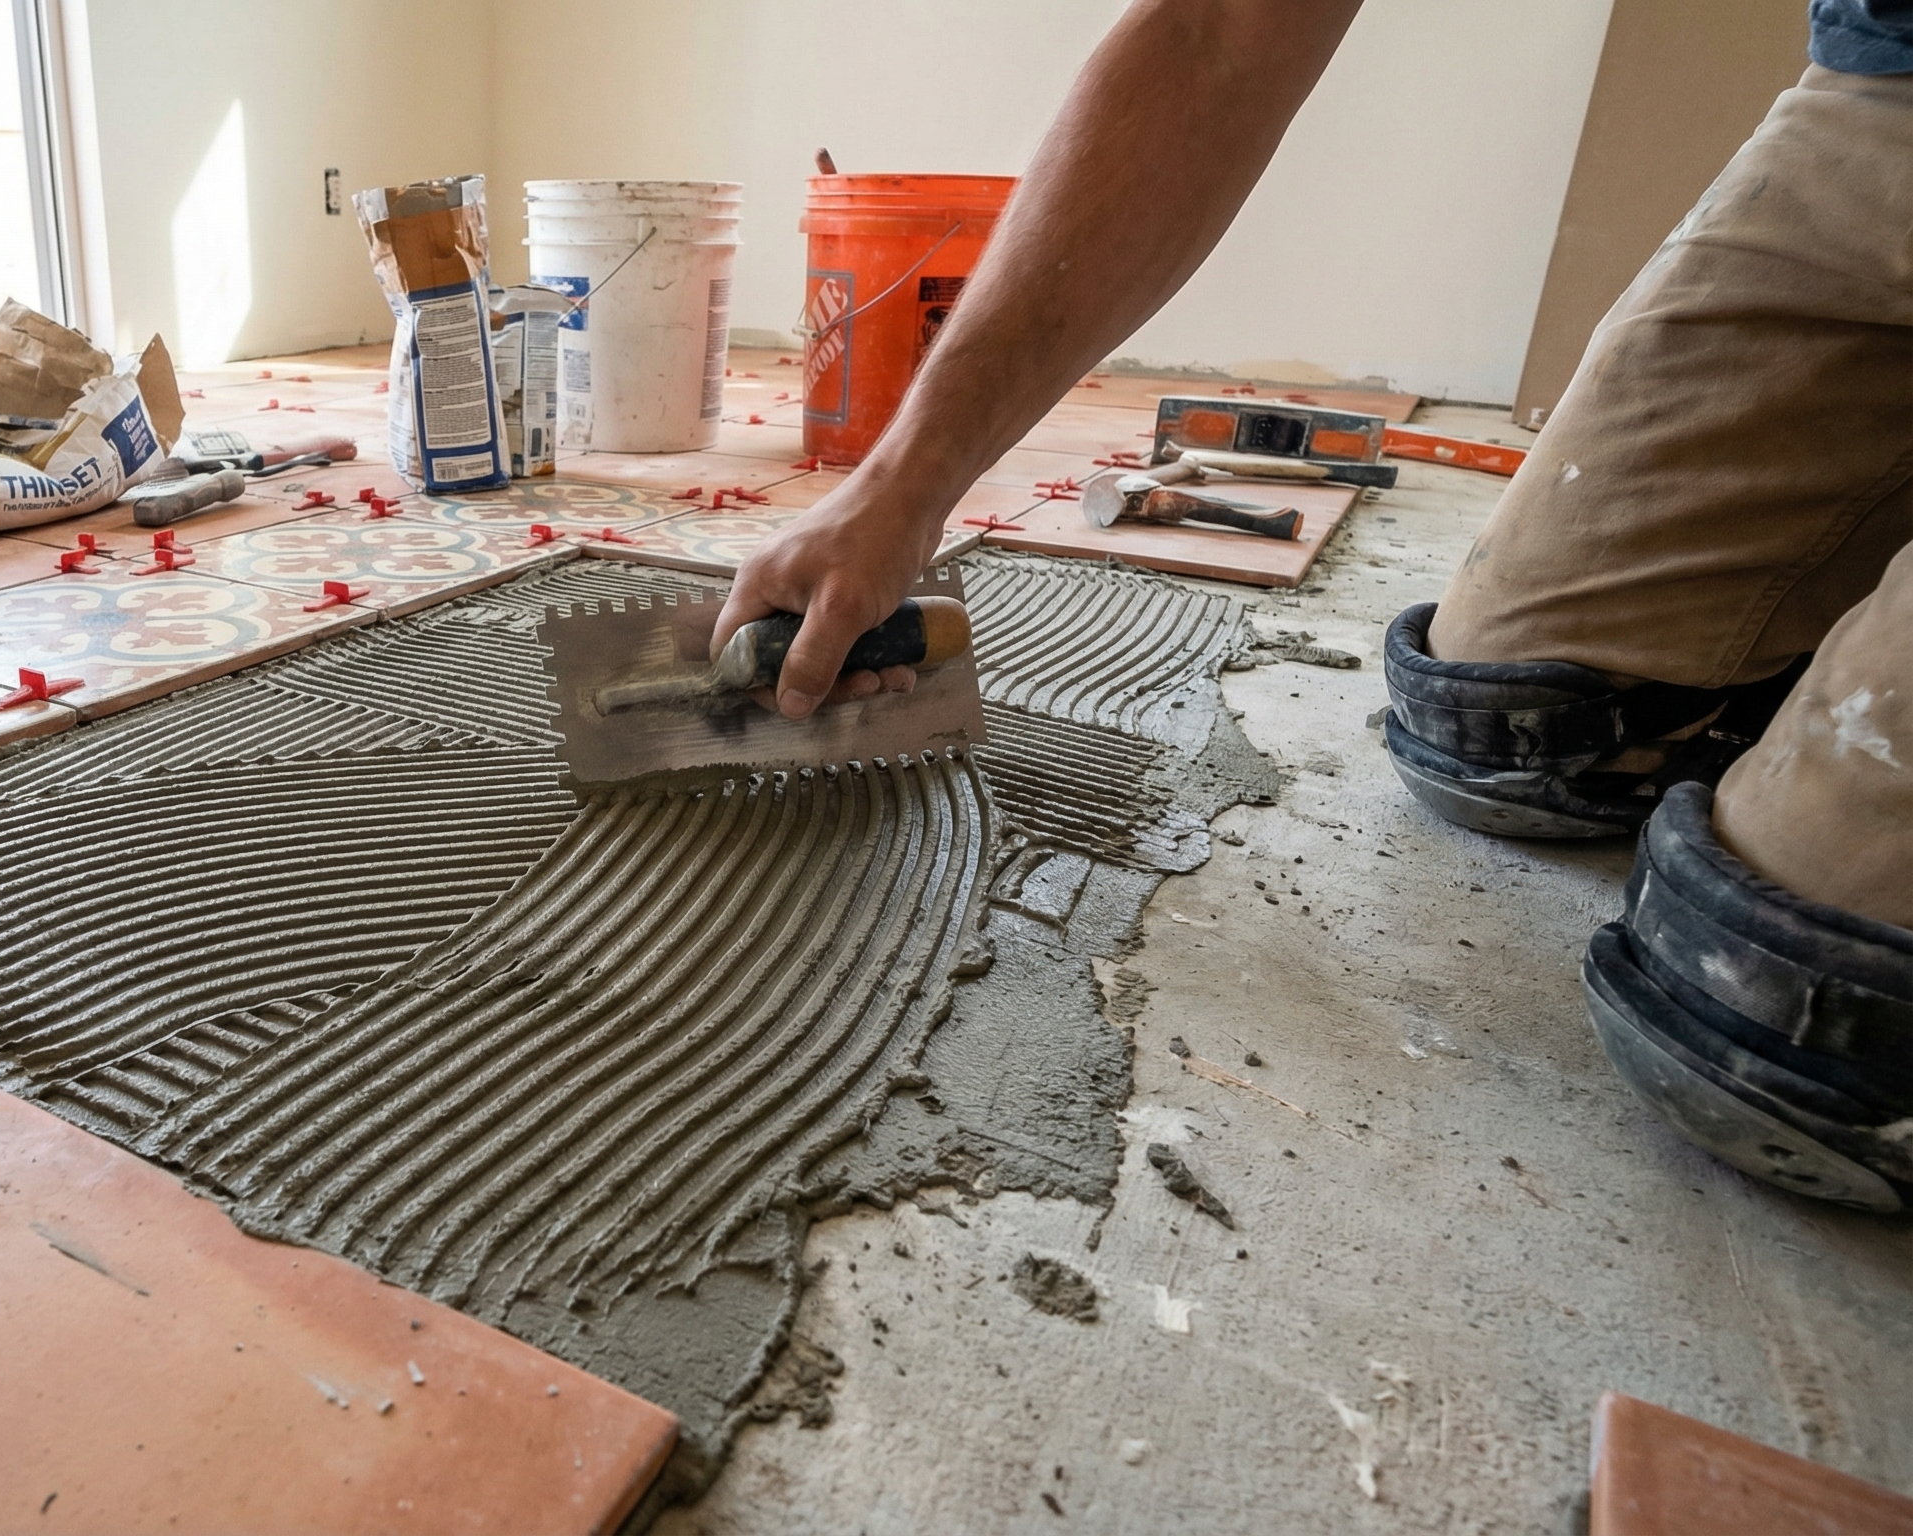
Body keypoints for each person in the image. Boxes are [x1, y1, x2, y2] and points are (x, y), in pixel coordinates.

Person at [719, 0, 1913, 1211]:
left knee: (1786, 1025)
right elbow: (1216, 34)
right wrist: (898, 493)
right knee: (1513, 735)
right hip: (1880, 89)